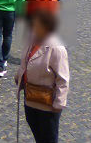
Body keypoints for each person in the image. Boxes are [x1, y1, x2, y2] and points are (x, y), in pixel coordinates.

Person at [14, 10, 69, 143]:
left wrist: (59, 103)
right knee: (35, 129)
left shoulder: (56, 48)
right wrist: (19, 76)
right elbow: (26, 62)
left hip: (47, 103)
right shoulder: (31, 40)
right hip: (30, 96)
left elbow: (63, 79)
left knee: (48, 137)